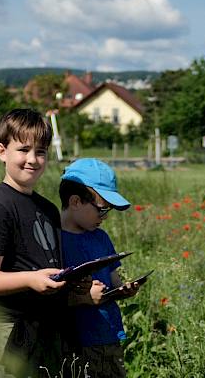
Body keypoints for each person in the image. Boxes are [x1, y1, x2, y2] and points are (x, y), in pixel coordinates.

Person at [0, 109, 69, 377]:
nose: (33, 160)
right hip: (6, 332)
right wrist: (31, 280)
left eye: (41, 152)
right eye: (23, 150)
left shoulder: (47, 209)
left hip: (43, 329)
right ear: (2, 151)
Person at [59, 158, 141, 378]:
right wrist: (84, 297)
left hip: (108, 334)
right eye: (102, 210)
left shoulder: (101, 238)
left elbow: (113, 278)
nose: (104, 218)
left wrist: (123, 290)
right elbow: (48, 295)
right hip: (74, 341)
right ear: (75, 202)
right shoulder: (53, 241)